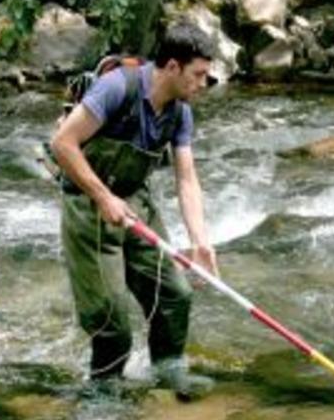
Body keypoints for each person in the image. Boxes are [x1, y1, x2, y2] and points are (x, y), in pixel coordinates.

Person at [50, 22, 219, 400]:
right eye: (199, 75)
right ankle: (102, 395)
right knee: (111, 323)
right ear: (173, 67)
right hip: (88, 207)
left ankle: (168, 374)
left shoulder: (180, 113)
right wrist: (103, 197)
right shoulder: (117, 88)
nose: (202, 84)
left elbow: (187, 180)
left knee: (175, 294)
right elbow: (62, 143)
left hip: (135, 203)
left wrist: (200, 242)